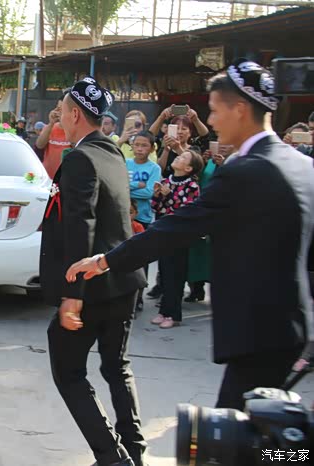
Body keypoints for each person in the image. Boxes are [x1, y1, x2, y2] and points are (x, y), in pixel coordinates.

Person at [66, 59, 314, 411]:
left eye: (214, 110)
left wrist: (106, 261)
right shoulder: (302, 165)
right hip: (292, 327)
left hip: (258, 332)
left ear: (240, 110)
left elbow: (175, 228)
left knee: (236, 434)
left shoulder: (246, 171)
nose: (210, 121)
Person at [41, 77, 147, 466]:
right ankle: (134, 451)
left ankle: (113, 457)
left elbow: (80, 224)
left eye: (62, 110)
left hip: (93, 286)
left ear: (74, 114)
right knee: (117, 367)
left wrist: (73, 295)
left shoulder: (80, 158)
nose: (59, 117)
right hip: (124, 280)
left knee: (68, 370)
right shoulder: (111, 152)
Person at [150, 150, 203, 329]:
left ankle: (173, 314)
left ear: (189, 168)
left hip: (179, 234)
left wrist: (170, 195)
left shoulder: (192, 186)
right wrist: (158, 195)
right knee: (165, 272)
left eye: (183, 158)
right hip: (164, 231)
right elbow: (156, 207)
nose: (178, 157)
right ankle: (164, 310)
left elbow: (187, 209)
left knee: (176, 274)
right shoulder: (167, 181)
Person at [126, 131, 161, 313]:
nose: (139, 148)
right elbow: (120, 185)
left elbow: (149, 192)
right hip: (124, 216)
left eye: (144, 145)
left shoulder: (154, 168)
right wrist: (136, 185)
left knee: (140, 258)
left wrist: (130, 188)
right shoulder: (126, 163)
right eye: (137, 144)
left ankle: (138, 295)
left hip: (143, 217)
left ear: (152, 148)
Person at [36, 95, 72, 178]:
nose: (58, 112)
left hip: (64, 178)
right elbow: (39, 145)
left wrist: (65, 124)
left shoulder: (74, 130)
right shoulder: (50, 127)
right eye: (58, 108)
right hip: (47, 177)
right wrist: (51, 123)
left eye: (62, 109)